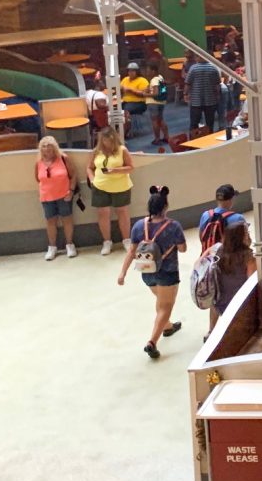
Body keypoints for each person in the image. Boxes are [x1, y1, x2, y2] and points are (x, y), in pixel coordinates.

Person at [117, 186, 187, 360]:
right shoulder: (173, 226)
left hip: (147, 271)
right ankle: (152, 342)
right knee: (165, 306)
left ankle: (168, 327)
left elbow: (132, 251)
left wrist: (123, 273)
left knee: (161, 301)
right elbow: (183, 249)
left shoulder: (139, 226)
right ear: (166, 206)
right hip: (168, 272)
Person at [88, 127, 133, 255]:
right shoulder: (96, 152)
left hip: (120, 186)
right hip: (100, 186)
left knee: (122, 211)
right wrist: (92, 180)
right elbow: (89, 168)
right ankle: (107, 242)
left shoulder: (122, 150)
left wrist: (115, 171)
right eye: (104, 140)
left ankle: (126, 240)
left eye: (109, 140)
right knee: (103, 213)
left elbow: (130, 167)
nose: (107, 143)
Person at [35, 136, 79, 260]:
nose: (47, 148)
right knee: (50, 221)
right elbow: (38, 179)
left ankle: (70, 245)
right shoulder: (38, 163)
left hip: (64, 195)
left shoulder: (64, 158)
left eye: (49, 145)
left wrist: (71, 190)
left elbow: (73, 175)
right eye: (44, 146)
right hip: (46, 197)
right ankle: (52, 247)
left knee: (67, 219)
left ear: (55, 147)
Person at [210, 218, 256, 329]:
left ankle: (211, 331)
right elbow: (252, 284)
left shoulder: (217, 250)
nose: (249, 236)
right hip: (239, 305)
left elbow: (201, 261)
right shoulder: (248, 258)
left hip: (220, 301)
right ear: (240, 238)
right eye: (246, 234)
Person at [199, 183, 245, 251]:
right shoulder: (238, 218)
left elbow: (201, 237)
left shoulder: (206, 215)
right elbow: (244, 240)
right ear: (231, 199)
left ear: (217, 199)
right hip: (230, 258)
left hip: (210, 257)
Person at [184, 52, 221, 133]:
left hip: (196, 101)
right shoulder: (213, 68)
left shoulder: (193, 68)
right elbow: (217, 85)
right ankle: (210, 140)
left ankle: (194, 141)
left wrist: (185, 94)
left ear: (198, 57)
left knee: (194, 124)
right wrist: (217, 95)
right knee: (210, 124)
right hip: (211, 100)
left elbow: (188, 83)